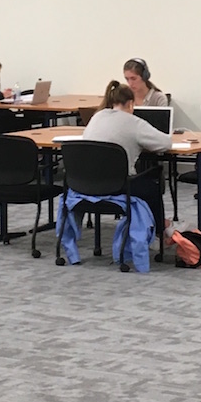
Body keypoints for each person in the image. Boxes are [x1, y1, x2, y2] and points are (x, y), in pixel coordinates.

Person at [58, 80, 173, 271]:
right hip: (117, 186)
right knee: (153, 182)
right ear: (130, 104)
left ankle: (156, 230)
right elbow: (165, 144)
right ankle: (160, 231)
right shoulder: (134, 122)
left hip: (85, 186)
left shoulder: (96, 117)